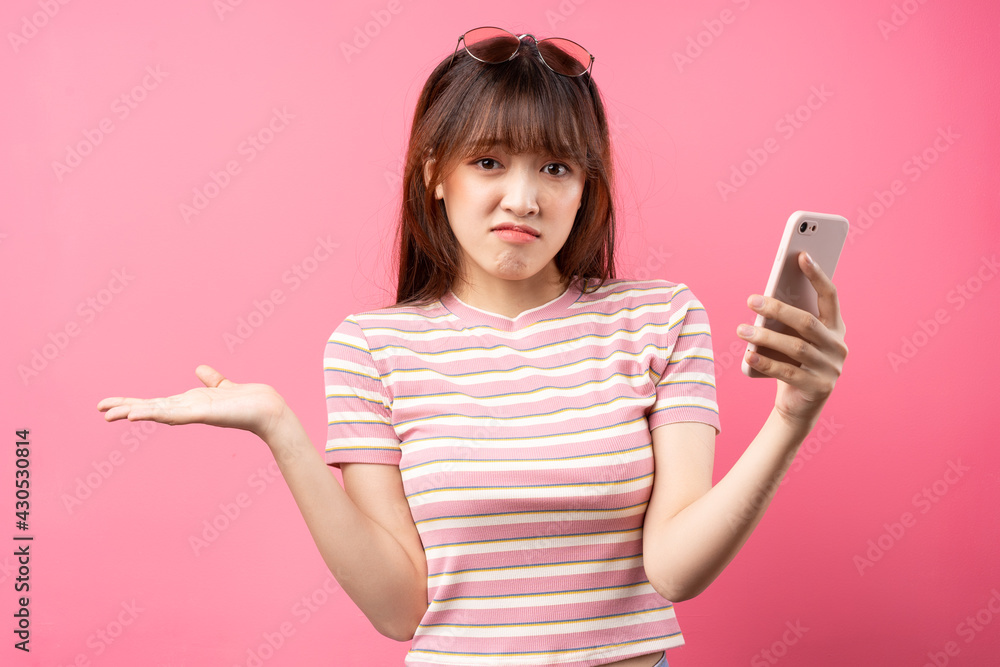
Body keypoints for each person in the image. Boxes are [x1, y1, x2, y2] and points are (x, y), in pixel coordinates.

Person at [98, 27, 848, 667]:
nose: (523, 197)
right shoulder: (372, 347)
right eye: (489, 162)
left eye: (554, 167)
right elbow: (399, 610)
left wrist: (792, 416)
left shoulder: (659, 318)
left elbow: (675, 569)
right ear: (435, 175)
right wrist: (277, 426)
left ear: (586, 188)